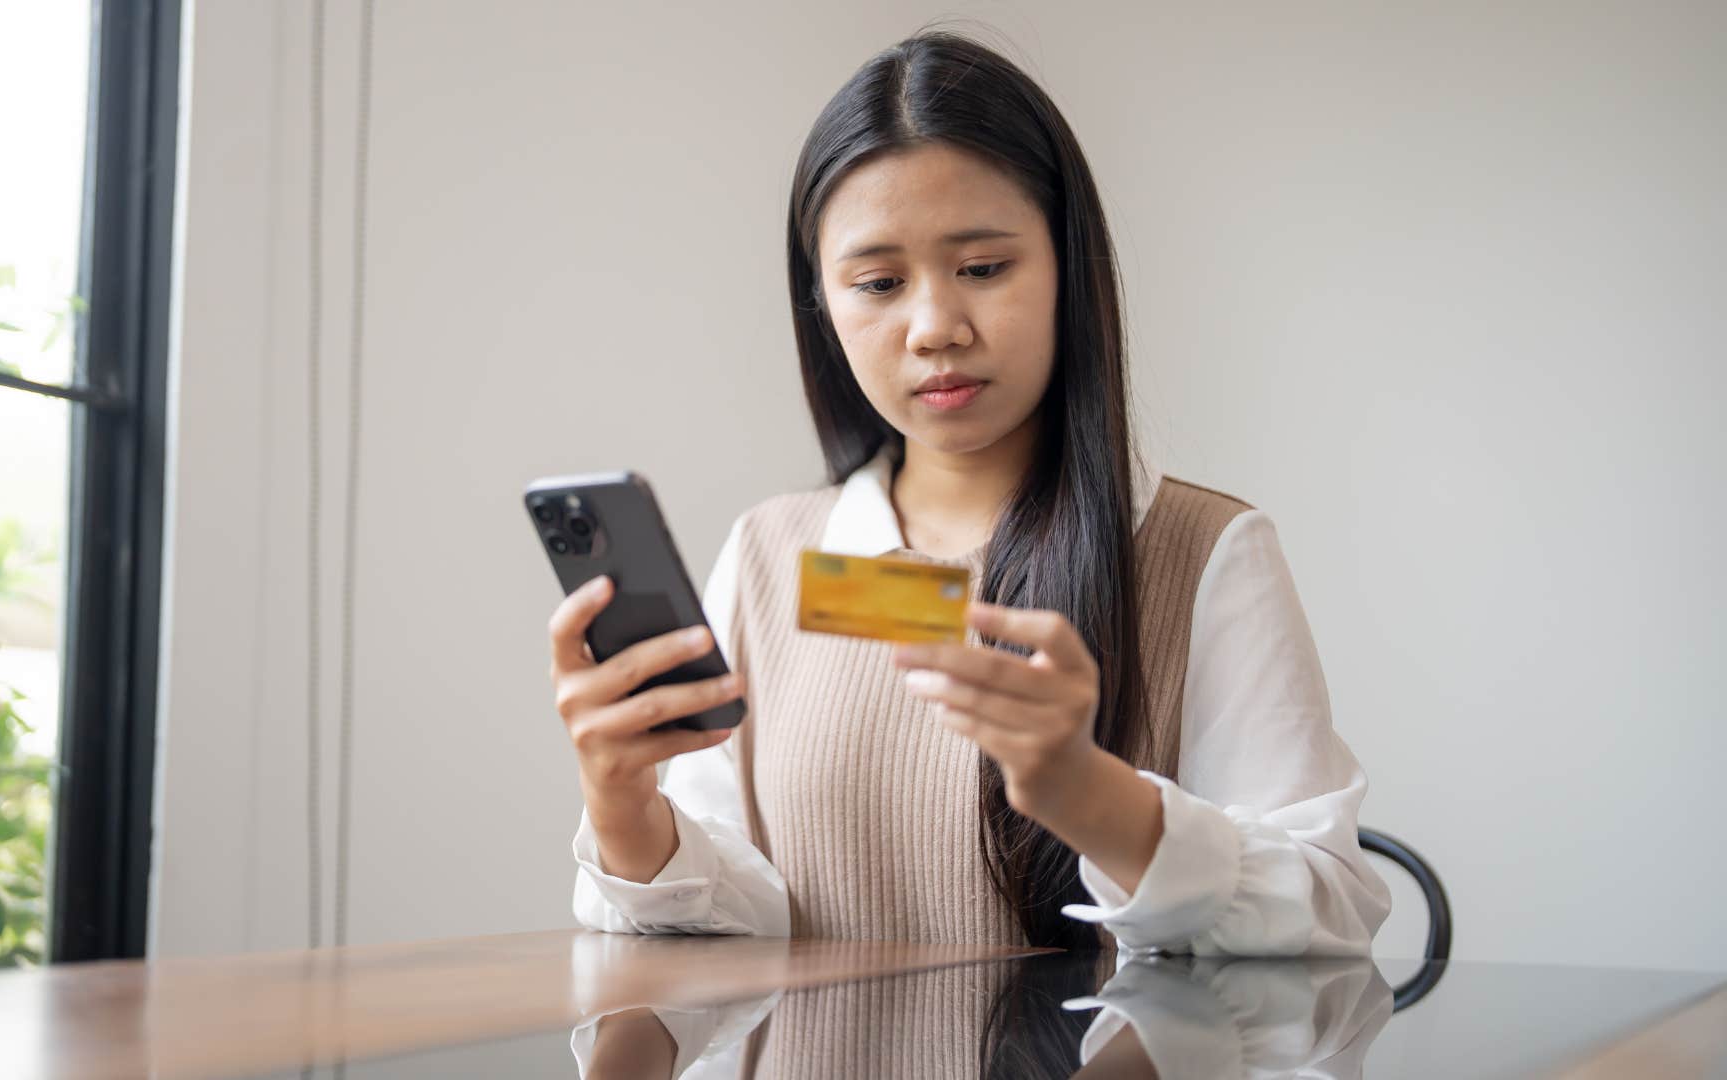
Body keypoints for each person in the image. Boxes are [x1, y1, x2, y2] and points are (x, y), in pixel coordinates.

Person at [545, 28, 1389, 970]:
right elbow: (739, 929)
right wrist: (623, 810)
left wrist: (1084, 790)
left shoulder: (1198, 549)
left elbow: (1328, 912)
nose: (935, 328)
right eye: (877, 283)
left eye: (984, 268)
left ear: (1069, 267)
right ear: (821, 303)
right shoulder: (769, 557)